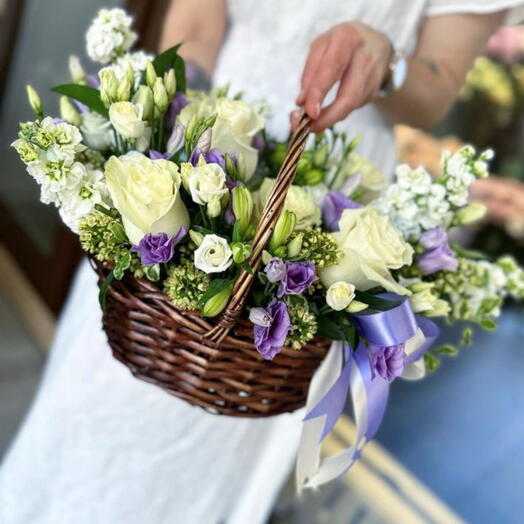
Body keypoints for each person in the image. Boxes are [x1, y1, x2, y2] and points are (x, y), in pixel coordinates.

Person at [1, 1, 521, 523]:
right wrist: (161, 148)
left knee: (223, 425)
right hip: (205, 134)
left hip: (328, 187)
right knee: (97, 389)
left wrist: (386, 64)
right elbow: (198, 22)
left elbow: (437, 85)